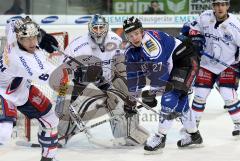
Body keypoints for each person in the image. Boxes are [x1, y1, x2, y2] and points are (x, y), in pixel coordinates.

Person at [56, 14, 149, 147]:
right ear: (90, 28)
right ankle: (61, 134)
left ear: (106, 28)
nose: (98, 31)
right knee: (69, 100)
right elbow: (62, 71)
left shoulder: (115, 40)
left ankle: (130, 132)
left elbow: (123, 66)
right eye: (95, 28)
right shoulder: (78, 45)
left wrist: (128, 93)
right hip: (84, 85)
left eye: (101, 27)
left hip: (107, 84)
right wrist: (78, 74)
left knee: (125, 125)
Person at [122, 16, 203, 154]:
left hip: (185, 61)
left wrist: (152, 95)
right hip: (172, 67)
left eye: (136, 33)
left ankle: (160, 137)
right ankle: (194, 135)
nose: (135, 37)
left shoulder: (150, 44)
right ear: (126, 37)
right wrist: (131, 101)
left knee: (169, 98)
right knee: (181, 103)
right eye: (130, 35)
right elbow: (134, 78)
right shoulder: (130, 53)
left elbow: (160, 75)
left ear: (142, 31)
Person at [0, 16, 60, 161]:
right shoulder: (23, 61)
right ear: (19, 39)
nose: (33, 42)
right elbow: (58, 79)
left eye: (35, 37)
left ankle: (48, 159)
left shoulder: (13, 33)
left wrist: (43, 35)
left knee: (51, 119)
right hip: (3, 93)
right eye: (28, 39)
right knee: (4, 133)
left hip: (20, 88)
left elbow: (14, 21)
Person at [188, 0, 240, 137]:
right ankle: (192, 129)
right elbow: (192, 28)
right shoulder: (205, 16)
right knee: (199, 95)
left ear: (228, 6)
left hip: (228, 64)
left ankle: (239, 123)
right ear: (213, 6)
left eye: (223, 4)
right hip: (207, 64)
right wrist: (196, 39)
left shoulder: (236, 25)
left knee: (228, 94)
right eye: (217, 5)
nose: (220, 7)